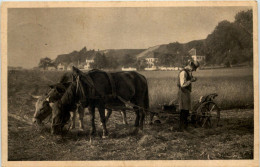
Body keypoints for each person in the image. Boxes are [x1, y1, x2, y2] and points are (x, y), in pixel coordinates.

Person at [177, 60, 200, 132]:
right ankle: (182, 128)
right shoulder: (183, 72)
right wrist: (191, 81)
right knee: (183, 110)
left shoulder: (187, 72)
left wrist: (191, 79)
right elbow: (182, 84)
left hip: (186, 93)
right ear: (191, 66)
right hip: (183, 92)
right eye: (194, 69)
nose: (193, 70)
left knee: (186, 110)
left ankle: (184, 127)